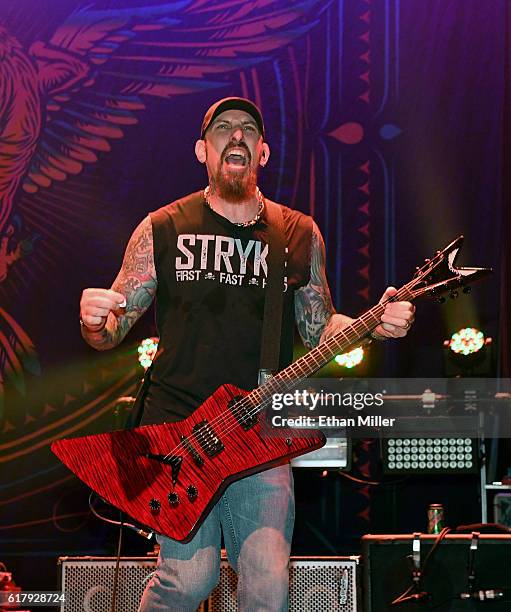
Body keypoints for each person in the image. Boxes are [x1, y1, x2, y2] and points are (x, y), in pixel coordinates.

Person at [79, 97, 415, 611]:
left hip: (261, 432)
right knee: (187, 583)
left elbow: (319, 325)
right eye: (222, 129)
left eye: (248, 130)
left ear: (263, 153)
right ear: (201, 150)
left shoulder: (298, 233)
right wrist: (94, 321)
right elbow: (111, 329)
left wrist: (375, 325)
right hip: (180, 434)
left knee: (267, 586)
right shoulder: (162, 227)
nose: (236, 135)